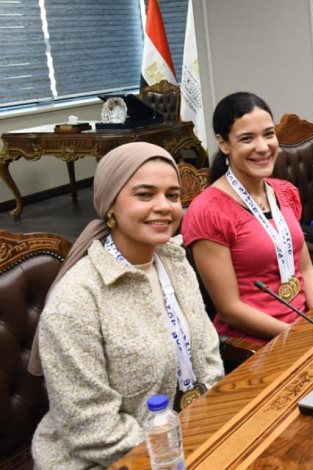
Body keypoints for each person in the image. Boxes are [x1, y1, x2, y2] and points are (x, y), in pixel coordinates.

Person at [30, 142, 224, 469]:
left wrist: (211, 421)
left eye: (172, 195)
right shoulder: (76, 300)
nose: (163, 207)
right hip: (104, 459)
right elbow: (91, 427)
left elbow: (208, 354)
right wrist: (178, 447)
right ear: (110, 206)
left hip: (186, 436)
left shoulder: (174, 260)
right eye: (145, 195)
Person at [183, 92, 313, 346]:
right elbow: (230, 309)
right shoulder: (208, 211)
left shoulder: (284, 192)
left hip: (307, 327)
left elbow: (306, 270)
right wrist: (297, 336)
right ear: (223, 144)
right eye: (247, 138)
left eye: (268, 134)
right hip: (257, 346)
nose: (263, 147)